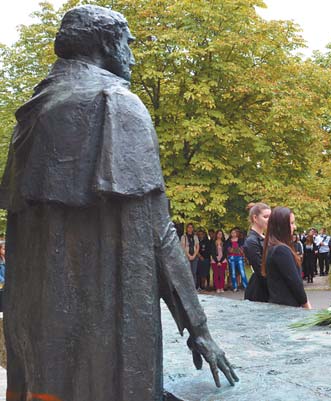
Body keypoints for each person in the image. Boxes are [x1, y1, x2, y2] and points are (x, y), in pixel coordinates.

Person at [0, 6, 237, 399]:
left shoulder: (31, 115)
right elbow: (158, 235)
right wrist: (199, 329)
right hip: (105, 358)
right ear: (108, 43)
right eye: (128, 43)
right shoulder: (117, 105)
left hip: (41, 349)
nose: (132, 55)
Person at [262, 207, 311, 308]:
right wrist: (306, 305)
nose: (295, 227)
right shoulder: (281, 250)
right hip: (287, 308)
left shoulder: (273, 247)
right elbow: (295, 282)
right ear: (282, 226)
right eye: (292, 223)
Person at [243, 202, 271, 302]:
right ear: (255, 218)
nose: (269, 220)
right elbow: (260, 270)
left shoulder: (266, 237)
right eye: (266, 217)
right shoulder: (251, 241)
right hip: (261, 291)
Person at [227, 228, 248, 292]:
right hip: (231, 258)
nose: (233, 234)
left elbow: (241, 250)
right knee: (233, 273)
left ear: (237, 234)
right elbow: (230, 250)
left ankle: (246, 286)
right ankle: (235, 287)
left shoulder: (240, 240)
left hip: (239, 258)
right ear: (230, 234)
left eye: (234, 232)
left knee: (242, 272)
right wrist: (236, 249)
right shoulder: (228, 241)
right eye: (232, 233)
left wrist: (234, 249)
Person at [180, 223, 200, 289]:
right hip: (186, 256)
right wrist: (188, 255)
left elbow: (197, 247)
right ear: (187, 228)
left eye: (191, 227)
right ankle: (187, 288)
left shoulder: (195, 237)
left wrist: (194, 255)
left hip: (194, 256)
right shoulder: (184, 237)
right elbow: (183, 247)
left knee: (194, 272)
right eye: (189, 227)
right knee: (187, 272)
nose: (190, 229)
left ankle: (193, 288)